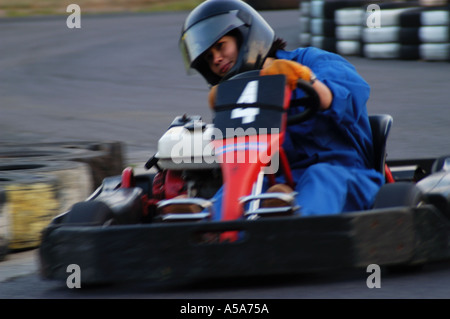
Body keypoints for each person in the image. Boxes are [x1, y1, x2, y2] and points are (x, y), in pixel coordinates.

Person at [178, 0, 384, 217]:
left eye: (221, 46)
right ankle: (208, 230)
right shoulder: (235, 97)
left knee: (319, 177)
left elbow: (351, 98)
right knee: (238, 188)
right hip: (276, 180)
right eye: (209, 58)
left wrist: (307, 81)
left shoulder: (310, 60)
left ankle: (298, 231)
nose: (217, 59)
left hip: (342, 172)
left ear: (245, 37)